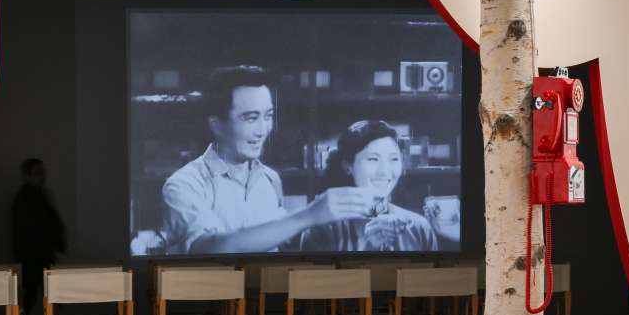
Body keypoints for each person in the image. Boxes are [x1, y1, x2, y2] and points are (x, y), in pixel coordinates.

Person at [160, 66, 371, 254]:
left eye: (268, 116)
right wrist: (309, 215)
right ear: (216, 125)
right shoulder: (184, 185)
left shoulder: (270, 179)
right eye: (251, 118)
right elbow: (208, 250)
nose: (263, 130)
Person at [299, 120, 439, 253]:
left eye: (394, 159)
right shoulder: (322, 230)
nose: (385, 172)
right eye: (373, 159)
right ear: (348, 165)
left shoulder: (419, 227)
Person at [11, 157, 67, 315]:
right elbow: (31, 229)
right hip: (33, 257)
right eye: (38, 172)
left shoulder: (39, 195)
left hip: (39, 255)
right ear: (27, 175)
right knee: (35, 295)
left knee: (41, 295)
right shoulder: (26, 198)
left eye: (43, 172)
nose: (42, 176)